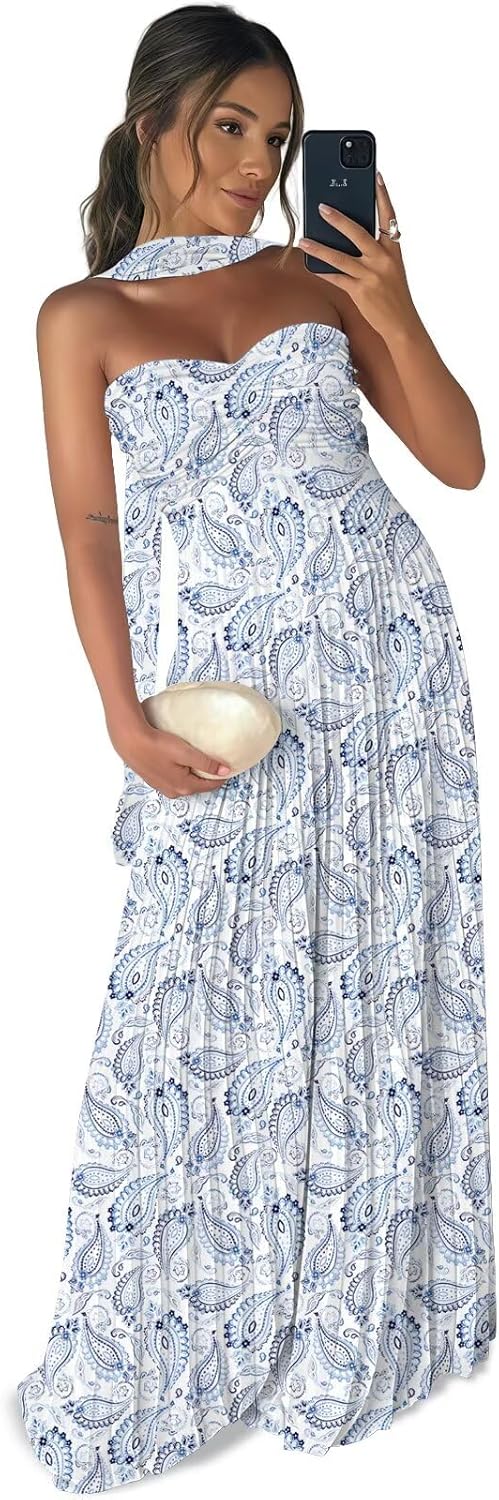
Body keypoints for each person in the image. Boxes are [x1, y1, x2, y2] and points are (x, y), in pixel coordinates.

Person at [17, 3, 496, 1489]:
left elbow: (461, 459)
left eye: (279, 139)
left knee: (369, 968)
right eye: (231, 127)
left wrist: (393, 301)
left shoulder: (315, 276)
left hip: (391, 674)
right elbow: (88, 534)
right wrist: (120, 714)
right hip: (239, 700)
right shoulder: (80, 319)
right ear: (152, 123)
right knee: (196, 1000)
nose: (257, 164)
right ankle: (180, 1328)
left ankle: (361, 1294)